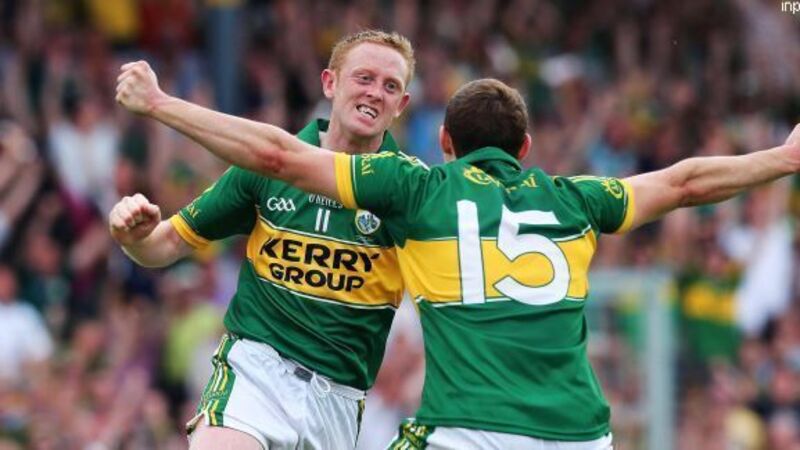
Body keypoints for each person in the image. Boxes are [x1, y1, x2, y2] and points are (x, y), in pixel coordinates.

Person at [117, 74, 800, 447]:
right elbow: (684, 182)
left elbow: (277, 155)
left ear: (444, 141)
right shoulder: (577, 200)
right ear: (525, 149)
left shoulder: (418, 191)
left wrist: (161, 104)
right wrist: (784, 157)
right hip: (581, 434)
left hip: (469, 429)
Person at [110, 30, 416, 450]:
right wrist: (132, 238)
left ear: (402, 105)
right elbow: (163, 246)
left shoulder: (411, 189)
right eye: (364, 78)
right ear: (330, 83)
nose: (375, 93)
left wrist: (157, 102)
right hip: (257, 374)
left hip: (339, 401)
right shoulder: (262, 169)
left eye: (391, 86)